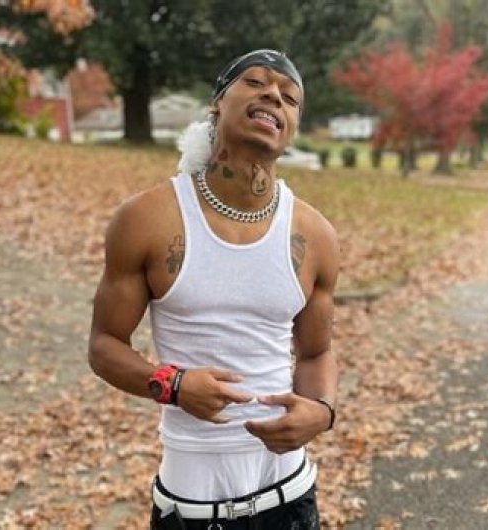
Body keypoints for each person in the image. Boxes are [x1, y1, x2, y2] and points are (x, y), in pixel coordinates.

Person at [88, 49, 340, 530]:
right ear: (217, 104)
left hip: (290, 495)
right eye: (256, 82)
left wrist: (321, 411)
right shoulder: (148, 219)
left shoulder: (316, 236)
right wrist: (173, 385)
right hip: (191, 504)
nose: (274, 96)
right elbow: (104, 345)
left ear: (292, 129)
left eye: (290, 98)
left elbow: (316, 353)